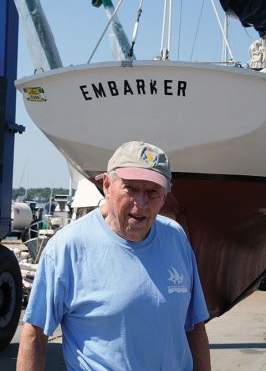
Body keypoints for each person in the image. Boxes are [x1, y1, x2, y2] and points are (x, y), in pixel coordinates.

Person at [17, 141, 211, 371]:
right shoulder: (68, 247)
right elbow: (34, 334)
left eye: (152, 192)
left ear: (166, 193)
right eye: (131, 188)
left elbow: (195, 326)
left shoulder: (176, 238)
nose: (141, 203)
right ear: (107, 185)